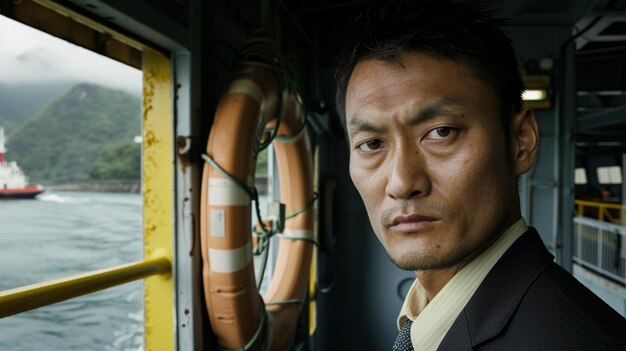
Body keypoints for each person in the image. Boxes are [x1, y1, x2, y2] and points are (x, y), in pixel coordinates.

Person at [334, 0, 626, 350]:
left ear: (521, 141)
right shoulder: (423, 317)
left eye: (441, 132)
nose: (401, 183)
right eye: (372, 143)